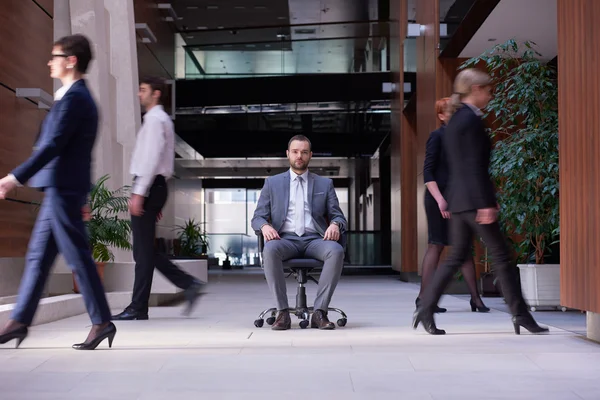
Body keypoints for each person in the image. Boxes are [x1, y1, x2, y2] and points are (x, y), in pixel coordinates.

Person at [0, 34, 116, 350]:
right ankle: (18, 323)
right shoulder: (69, 96)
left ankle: (102, 322)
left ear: (71, 60)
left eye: (55, 56)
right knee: (38, 258)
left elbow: (55, 145)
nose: (49, 61)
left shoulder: (77, 98)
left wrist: (14, 177)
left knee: (77, 258)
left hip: (64, 190)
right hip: (60, 189)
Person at [413, 68, 548, 335]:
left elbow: (461, 165)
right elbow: (473, 165)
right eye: (488, 90)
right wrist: (486, 201)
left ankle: (426, 307)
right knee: (502, 257)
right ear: (475, 90)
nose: (490, 95)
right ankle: (521, 315)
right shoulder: (471, 120)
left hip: (459, 200)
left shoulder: (455, 121)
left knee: (456, 258)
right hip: (474, 201)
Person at [112, 76, 203, 321]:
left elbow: (151, 159)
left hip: (149, 185)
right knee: (144, 252)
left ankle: (138, 307)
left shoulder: (154, 120)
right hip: (155, 187)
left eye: (143, 90)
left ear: (156, 94)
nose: (139, 94)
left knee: (142, 254)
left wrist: (140, 193)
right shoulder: (159, 119)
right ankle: (186, 284)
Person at [251, 135, 347, 330]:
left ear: (310, 155)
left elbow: (339, 216)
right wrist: (265, 226)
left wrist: (335, 224)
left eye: (304, 152)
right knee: (269, 249)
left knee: (336, 251)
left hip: (315, 240)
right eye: (295, 151)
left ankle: (319, 313)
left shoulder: (324, 184)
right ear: (288, 154)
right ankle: (283, 313)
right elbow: (257, 217)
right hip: (284, 239)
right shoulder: (273, 183)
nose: (299, 156)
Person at [416, 97, 489, 314]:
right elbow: (428, 172)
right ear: (441, 116)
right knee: (437, 245)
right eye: (451, 112)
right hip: (438, 198)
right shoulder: (437, 136)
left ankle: (476, 299)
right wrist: (440, 200)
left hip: (458, 198)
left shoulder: (460, 137)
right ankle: (424, 299)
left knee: (463, 248)